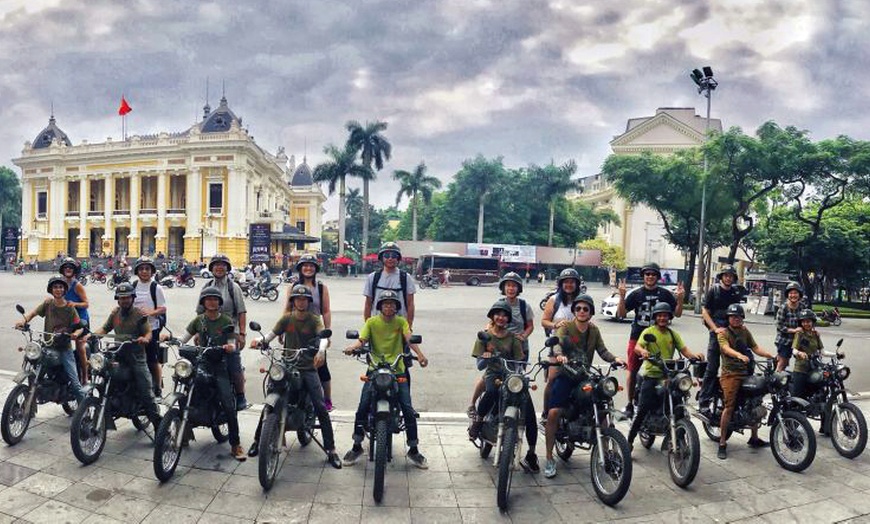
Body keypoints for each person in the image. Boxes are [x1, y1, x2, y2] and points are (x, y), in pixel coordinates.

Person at [249, 285, 342, 467]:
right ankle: (257, 440)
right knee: (270, 401)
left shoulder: (314, 319)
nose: (301, 301)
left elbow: (323, 337)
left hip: (307, 367)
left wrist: (321, 351)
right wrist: (261, 341)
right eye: (297, 299)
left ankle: (331, 450)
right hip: (286, 364)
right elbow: (271, 334)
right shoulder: (287, 318)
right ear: (293, 301)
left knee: (320, 407)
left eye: (304, 299)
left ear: (308, 302)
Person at [342, 290, 430, 469]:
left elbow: (409, 338)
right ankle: (357, 445)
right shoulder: (372, 322)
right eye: (385, 303)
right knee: (362, 406)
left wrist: (420, 354)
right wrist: (353, 347)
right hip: (375, 369)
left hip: (397, 370)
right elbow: (362, 339)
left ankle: (413, 449)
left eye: (392, 304)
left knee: (407, 408)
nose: (388, 306)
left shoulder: (401, 322)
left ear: (396, 307)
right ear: (379, 306)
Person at [543, 294, 624, 478]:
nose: (581, 311)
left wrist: (615, 359)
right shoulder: (566, 326)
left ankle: (606, 450)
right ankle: (549, 457)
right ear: (574, 311)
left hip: (585, 376)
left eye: (585, 309)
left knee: (600, 406)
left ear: (590, 313)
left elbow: (602, 351)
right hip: (566, 374)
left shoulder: (594, 331)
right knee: (554, 412)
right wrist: (560, 355)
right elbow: (557, 344)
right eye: (578, 308)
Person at [172, 287, 246, 460]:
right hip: (202, 362)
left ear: (219, 303)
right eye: (208, 299)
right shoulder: (199, 320)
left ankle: (235, 444)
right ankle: (184, 432)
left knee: (228, 404)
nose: (211, 302)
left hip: (219, 365)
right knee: (186, 389)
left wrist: (230, 346)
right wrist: (175, 341)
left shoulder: (226, 321)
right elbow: (185, 338)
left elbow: (232, 343)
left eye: (215, 299)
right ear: (203, 303)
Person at [468, 299, 540, 473]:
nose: (501, 317)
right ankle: (478, 421)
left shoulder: (513, 338)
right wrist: (486, 356)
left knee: (529, 411)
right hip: (493, 374)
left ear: (508, 319)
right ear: (492, 316)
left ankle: (531, 452)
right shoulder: (484, 336)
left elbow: (519, 362)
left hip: (511, 377)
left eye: (504, 315)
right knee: (491, 391)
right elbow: (480, 366)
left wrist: (519, 372)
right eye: (498, 314)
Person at [626, 303, 703, 450]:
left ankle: (674, 429)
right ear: (655, 317)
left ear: (669, 317)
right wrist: (643, 351)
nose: (662, 318)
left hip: (667, 374)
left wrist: (695, 356)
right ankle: (629, 439)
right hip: (651, 375)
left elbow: (684, 350)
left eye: (665, 315)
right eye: (659, 315)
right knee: (643, 407)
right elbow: (637, 347)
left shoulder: (673, 334)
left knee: (677, 398)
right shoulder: (648, 332)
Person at [87, 283, 162, 429]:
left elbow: (148, 332)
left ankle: (158, 425)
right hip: (118, 354)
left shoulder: (139, 314)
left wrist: (145, 339)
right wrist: (93, 336)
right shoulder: (115, 313)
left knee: (146, 390)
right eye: (121, 298)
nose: (124, 301)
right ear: (117, 300)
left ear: (132, 298)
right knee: (102, 374)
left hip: (136, 356)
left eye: (127, 297)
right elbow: (105, 328)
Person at [616, 262, 684, 419]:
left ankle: (659, 403)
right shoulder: (636, 294)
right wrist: (621, 296)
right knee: (632, 371)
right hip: (638, 337)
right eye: (647, 274)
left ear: (658, 277)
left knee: (663, 371)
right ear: (643, 277)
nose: (650, 277)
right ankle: (629, 404)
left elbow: (678, 314)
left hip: (660, 337)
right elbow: (622, 314)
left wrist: (680, 299)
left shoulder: (665, 294)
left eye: (653, 274)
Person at [467, 272, 534, 416]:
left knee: (517, 380)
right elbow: (491, 322)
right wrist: (488, 337)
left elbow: (530, 325)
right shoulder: (499, 304)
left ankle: (522, 418)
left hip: (518, 344)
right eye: (508, 285)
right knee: (489, 377)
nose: (511, 288)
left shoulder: (524, 306)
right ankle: (474, 407)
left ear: (518, 288)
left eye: (514, 286)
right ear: (504, 288)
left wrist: (522, 336)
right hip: (497, 344)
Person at [715, 304, 776, 459]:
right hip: (730, 374)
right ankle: (722, 442)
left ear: (742, 318)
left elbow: (755, 348)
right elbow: (725, 348)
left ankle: (754, 438)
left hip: (746, 372)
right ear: (728, 318)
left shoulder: (744, 331)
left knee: (755, 400)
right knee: (729, 407)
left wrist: (770, 355)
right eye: (733, 316)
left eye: (738, 316)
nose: (736, 319)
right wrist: (739, 355)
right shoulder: (723, 333)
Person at [14, 277, 86, 402]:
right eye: (55, 287)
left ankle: (85, 413)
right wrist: (23, 321)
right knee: (35, 373)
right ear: (51, 290)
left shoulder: (70, 307)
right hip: (47, 346)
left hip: (64, 349)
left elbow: (79, 327)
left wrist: (75, 334)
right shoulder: (48, 304)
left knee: (75, 384)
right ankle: (30, 408)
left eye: (61, 287)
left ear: (64, 290)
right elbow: (32, 314)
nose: (58, 290)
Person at [283, 254, 335, 411]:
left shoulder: (321, 288)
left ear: (316, 269)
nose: (308, 268)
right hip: (294, 331)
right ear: (300, 268)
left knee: (321, 366)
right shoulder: (292, 287)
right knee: (289, 364)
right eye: (305, 265)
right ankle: (287, 398)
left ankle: (327, 400)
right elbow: (287, 309)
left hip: (315, 331)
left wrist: (327, 332)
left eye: (311, 266)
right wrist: (281, 331)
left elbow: (325, 311)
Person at [202, 254, 249, 410]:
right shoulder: (207, 286)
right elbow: (199, 312)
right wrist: (197, 333)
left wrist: (242, 334)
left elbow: (241, 312)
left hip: (230, 333)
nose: (219, 267)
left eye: (223, 265)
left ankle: (241, 395)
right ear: (211, 268)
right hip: (209, 332)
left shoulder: (233, 287)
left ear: (227, 268)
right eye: (216, 265)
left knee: (233, 362)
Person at [698, 265, 745, 415]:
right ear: (721, 277)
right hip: (717, 333)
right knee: (712, 368)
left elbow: (737, 313)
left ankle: (732, 398)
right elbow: (705, 312)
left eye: (731, 276)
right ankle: (703, 401)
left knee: (735, 365)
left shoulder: (735, 292)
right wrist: (714, 328)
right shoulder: (714, 290)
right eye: (726, 275)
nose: (728, 278)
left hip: (732, 333)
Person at [539, 268, 583, 420]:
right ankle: (546, 412)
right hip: (557, 342)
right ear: (561, 284)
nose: (569, 285)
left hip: (577, 344)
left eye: (572, 282)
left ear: (577, 284)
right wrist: (556, 325)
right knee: (553, 378)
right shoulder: (554, 300)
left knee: (580, 377)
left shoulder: (582, 300)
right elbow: (544, 321)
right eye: (566, 282)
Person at [131, 256, 168, 396]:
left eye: (147, 269)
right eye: (141, 269)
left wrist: (150, 312)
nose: (144, 271)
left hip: (152, 327)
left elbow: (163, 308)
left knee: (152, 359)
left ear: (152, 271)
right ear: (137, 271)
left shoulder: (156, 287)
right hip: (135, 328)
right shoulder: (133, 286)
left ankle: (157, 388)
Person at [364, 242, 416, 328]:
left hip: (399, 326)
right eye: (387, 256)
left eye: (394, 256)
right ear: (381, 258)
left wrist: (409, 326)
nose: (390, 259)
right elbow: (368, 304)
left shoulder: (406, 278)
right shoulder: (373, 278)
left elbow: (410, 304)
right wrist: (367, 327)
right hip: (377, 327)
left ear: (398, 258)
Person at [58, 258, 90, 384]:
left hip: (80, 319)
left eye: (70, 268)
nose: (68, 269)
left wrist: (74, 304)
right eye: (66, 267)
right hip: (68, 317)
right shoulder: (60, 284)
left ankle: (85, 376)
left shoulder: (77, 285)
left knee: (79, 346)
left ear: (74, 271)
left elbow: (86, 304)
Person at [774, 282, 804, 372]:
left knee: (805, 359)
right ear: (787, 295)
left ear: (799, 295)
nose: (793, 295)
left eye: (795, 293)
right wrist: (793, 330)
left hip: (798, 340)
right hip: (785, 340)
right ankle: (776, 380)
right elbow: (779, 325)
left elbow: (807, 321)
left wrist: (813, 331)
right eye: (791, 293)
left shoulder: (802, 307)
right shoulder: (783, 308)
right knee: (783, 363)